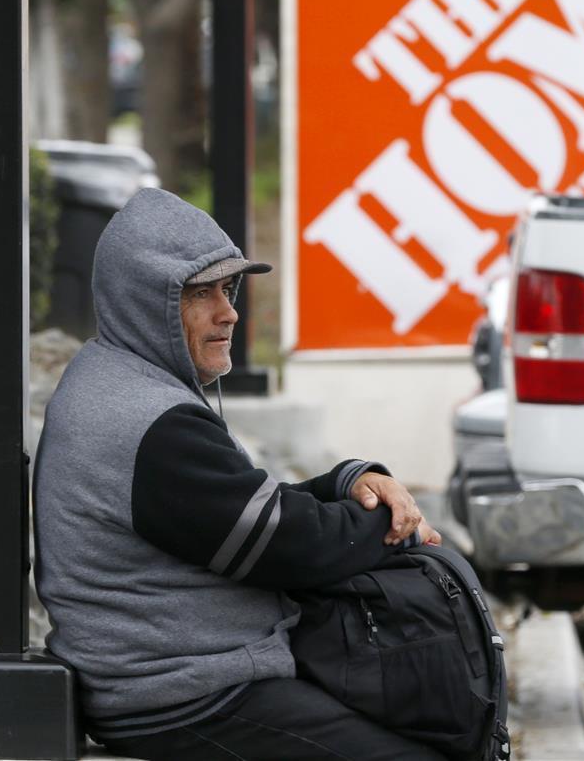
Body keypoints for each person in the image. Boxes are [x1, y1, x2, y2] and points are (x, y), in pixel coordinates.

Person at [33, 188, 445, 761]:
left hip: (185, 674)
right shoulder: (147, 420)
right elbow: (282, 546)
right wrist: (391, 526)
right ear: (142, 300)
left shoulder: (119, 379)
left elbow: (240, 511)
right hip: (181, 695)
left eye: (227, 289)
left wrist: (344, 484)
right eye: (200, 293)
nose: (228, 312)